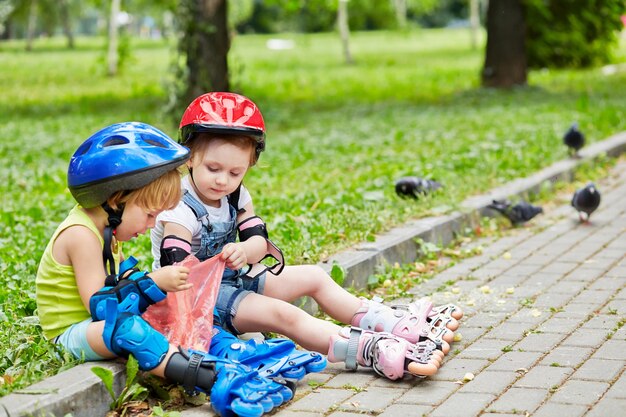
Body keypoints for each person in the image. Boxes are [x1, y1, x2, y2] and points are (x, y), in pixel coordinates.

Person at [151, 92, 464, 381]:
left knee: (313, 276)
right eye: (213, 168)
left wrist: (245, 251)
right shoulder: (179, 207)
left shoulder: (236, 195)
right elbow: (177, 268)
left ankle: (389, 323)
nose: (223, 181)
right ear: (189, 157)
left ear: (249, 165)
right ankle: (369, 350)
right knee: (283, 314)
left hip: (231, 277)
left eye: (235, 173)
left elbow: (258, 242)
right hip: (193, 298)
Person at [35, 122, 295, 417]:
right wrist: (152, 284)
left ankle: (233, 354)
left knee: (171, 309)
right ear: (116, 200)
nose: (150, 226)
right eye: (149, 214)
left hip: (98, 326)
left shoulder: (106, 228)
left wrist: (159, 295)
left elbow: (120, 286)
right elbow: (101, 304)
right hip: (71, 333)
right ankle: (212, 377)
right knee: (128, 329)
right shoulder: (81, 235)